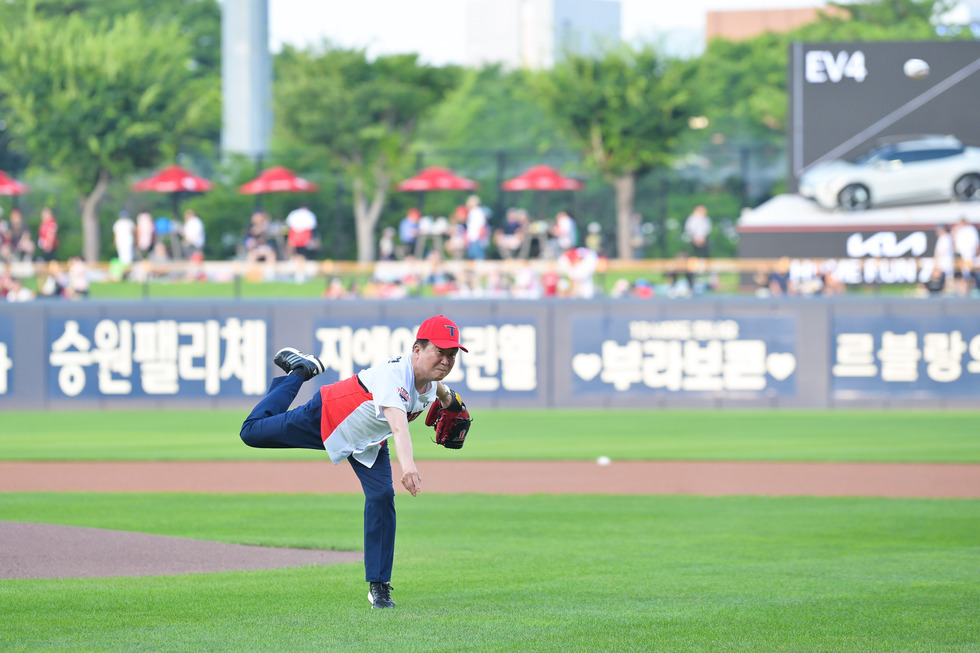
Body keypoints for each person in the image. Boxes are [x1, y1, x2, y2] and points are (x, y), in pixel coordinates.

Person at [239, 315, 469, 610]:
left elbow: (442, 391)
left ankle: (379, 587)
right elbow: (399, 427)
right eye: (440, 351)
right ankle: (300, 371)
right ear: (417, 350)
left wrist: (451, 401)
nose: (446, 360)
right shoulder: (394, 377)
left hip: (369, 442)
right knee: (251, 432)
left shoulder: (432, 383)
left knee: (382, 496)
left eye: (452, 354)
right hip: (329, 415)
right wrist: (409, 466)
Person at [464, 195, 489, 260]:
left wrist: (479, 237)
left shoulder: (478, 211)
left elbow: (482, 225)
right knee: (473, 258)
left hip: (477, 238)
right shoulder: (472, 212)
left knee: (478, 258)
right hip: (472, 238)